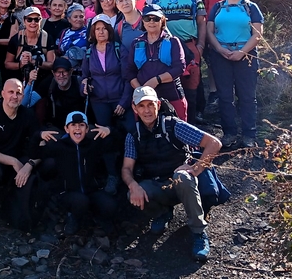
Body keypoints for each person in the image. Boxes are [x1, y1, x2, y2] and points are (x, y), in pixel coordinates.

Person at [122, 86, 222, 262]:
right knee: (132, 193)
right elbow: (127, 169)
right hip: (159, 183)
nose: (147, 110)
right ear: (134, 108)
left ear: (158, 105)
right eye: (142, 106)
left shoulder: (173, 125)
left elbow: (214, 143)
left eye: (151, 105)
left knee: (183, 177)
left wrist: (196, 169)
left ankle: (198, 232)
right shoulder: (133, 134)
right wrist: (133, 184)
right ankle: (163, 213)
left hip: (184, 181)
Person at [0, 79, 46, 231]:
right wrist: (13, 161)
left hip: (19, 159)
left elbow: (41, 145)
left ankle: (15, 201)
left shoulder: (28, 115)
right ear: (2, 94)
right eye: (11, 92)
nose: (15, 96)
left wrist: (29, 165)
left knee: (45, 165)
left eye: (19, 93)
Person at [206, 0, 264, 148]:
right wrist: (219, 49)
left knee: (247, 97)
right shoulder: (217, 7)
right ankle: (229, 133)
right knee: (225, 97)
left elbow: (257, 34)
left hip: (246, 56)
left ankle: (249, 134)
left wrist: (242, 52)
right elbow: (209, 31)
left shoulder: (251, 7)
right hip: (221, 56)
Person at [146, 0, 206, 123]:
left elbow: (201, 21)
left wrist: (200, 45)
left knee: (191, 89)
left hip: (189, 45)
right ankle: (167, 127)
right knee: (168, 88)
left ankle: (191, 128)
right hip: (163, 46)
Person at [40, 111, 116, 235]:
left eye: (81, 125)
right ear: (66, 128)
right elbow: (35, 152)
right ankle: (73, 217)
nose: (77, 128)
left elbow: (118, 142)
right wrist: (39, 135)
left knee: (110, 205)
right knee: (80, 201)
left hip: (91, 191)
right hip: (68, 193)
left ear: (87, 129)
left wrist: (109, 130)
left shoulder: (94, 145)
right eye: (73, 125)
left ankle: (96, 216)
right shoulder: (58, 146)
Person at [80, 14, 130, 194]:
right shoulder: (89, 51)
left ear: (109, 30)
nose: (101, 32)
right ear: (93, 31)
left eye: (104, 28)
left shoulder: (118, 49)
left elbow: (127, 78)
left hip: (119, 98)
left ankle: (132, 169)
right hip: (99, 100)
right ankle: (112, 175)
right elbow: (84, 76)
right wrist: (84, 85)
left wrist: (124, 102)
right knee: (104, 135)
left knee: (129, 131)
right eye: (97, 29)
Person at [123, 4, 188, 120]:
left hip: (171, 95)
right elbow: (130, 71)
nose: (151, 22)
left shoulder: (173, 41)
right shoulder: (136, 43)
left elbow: (179, 68)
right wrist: (141, 90)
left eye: (156, 19)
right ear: (143, 21)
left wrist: (156, 80)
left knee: (178, 130)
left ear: (162, 21)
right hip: (144, 100)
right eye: (148, 19)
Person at [4, 6, 57, 85]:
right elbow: (7, 64)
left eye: (36, 19)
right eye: (29, 19)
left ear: (41, 21)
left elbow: (51, 64)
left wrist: (33, 61)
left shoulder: (47, 38)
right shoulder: (16, 39)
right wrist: (20, 64)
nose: (33, 23)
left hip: (41, 82)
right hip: (19, 82)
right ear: (24, 21)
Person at [56, 3, 88, 74]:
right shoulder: (63, 33)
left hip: (83, 71)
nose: (78, 19)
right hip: (64, 73)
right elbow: (56, 51)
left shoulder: (89, 32)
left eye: (81, 16)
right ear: (69, 19)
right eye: (75, 17)